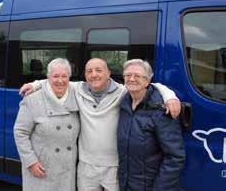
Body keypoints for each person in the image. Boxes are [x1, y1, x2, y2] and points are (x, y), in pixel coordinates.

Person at [20, 58, 181, 191]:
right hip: (86, 166)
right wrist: (35, 84)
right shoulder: (78, 89)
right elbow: (57, 78)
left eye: (99, 70)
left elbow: (148, 84)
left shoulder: (122, 92)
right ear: (84, 75)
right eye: (89, 71)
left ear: (108, 74)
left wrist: (170, 96)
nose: (94, 75)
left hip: (114, 167)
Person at [117, 59, 185, 191]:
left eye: (137, 76)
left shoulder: (161, 109)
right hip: (127, 184)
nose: (131, 79)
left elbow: (175, 157)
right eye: (127, 75)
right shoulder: (123, 103)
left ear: (147, 81)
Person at [14, 58, 80, 191]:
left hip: (67, 167)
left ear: (69, 78)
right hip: (42, 166)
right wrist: (30, 161)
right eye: (55, 76)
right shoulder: (32, 99)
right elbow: (20, 132)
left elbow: (95, 83)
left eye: (64, 76)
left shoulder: (77, 94)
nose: (60, 80)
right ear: (48, 77)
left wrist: (37, 83)